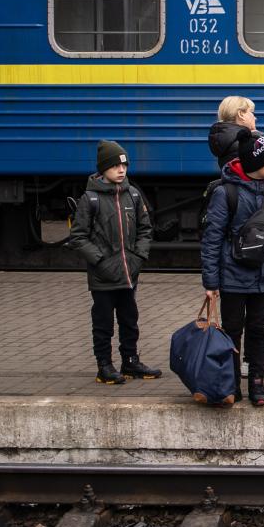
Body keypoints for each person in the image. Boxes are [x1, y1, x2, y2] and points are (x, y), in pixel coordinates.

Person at [201, 130, 264, 408]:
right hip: (233, 278)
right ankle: (231, 384)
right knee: (232, 330)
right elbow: (211, 239)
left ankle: (257, 382)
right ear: (256, 163)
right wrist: (211, 282)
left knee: (259, 329)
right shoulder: (225, 193)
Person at [66, 139, 161, 385]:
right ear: (103, 168)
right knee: (103, 323)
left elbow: (145, 229)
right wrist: (100, 261)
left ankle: (130, 361)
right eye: (115, 166)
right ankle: (104, 366)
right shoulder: (90, 199)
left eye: (125, 166)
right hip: (103, 277)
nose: (121, 170)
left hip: (129, 273)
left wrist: (138, 257)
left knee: (130, 320)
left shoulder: (133, 195)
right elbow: (78, 237)